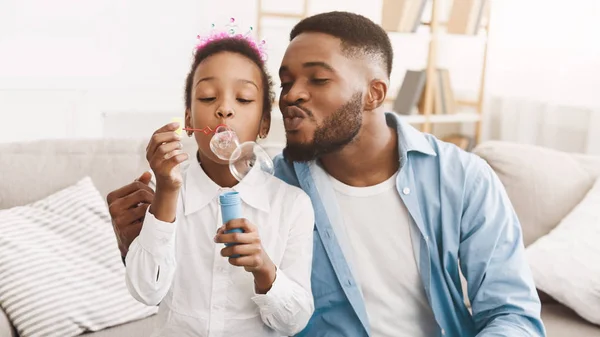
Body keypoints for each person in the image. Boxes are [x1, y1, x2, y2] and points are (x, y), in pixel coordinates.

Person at [108, 11, 546, 337]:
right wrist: (138, 237)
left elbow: (512, 315)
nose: (292, 95)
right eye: (286, 80)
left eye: (317, 80)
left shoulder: (462, 179)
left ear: (373, 93)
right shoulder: (272, 183)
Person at [121, 34, 315, 337]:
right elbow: (147, 291)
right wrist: (166, 192)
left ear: (264, 124)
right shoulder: (166, 192)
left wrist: (265, 269)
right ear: (188, 119)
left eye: (244, 99)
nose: (224, 109)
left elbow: (295, 321)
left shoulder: (291, 205)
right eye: (209, 97)